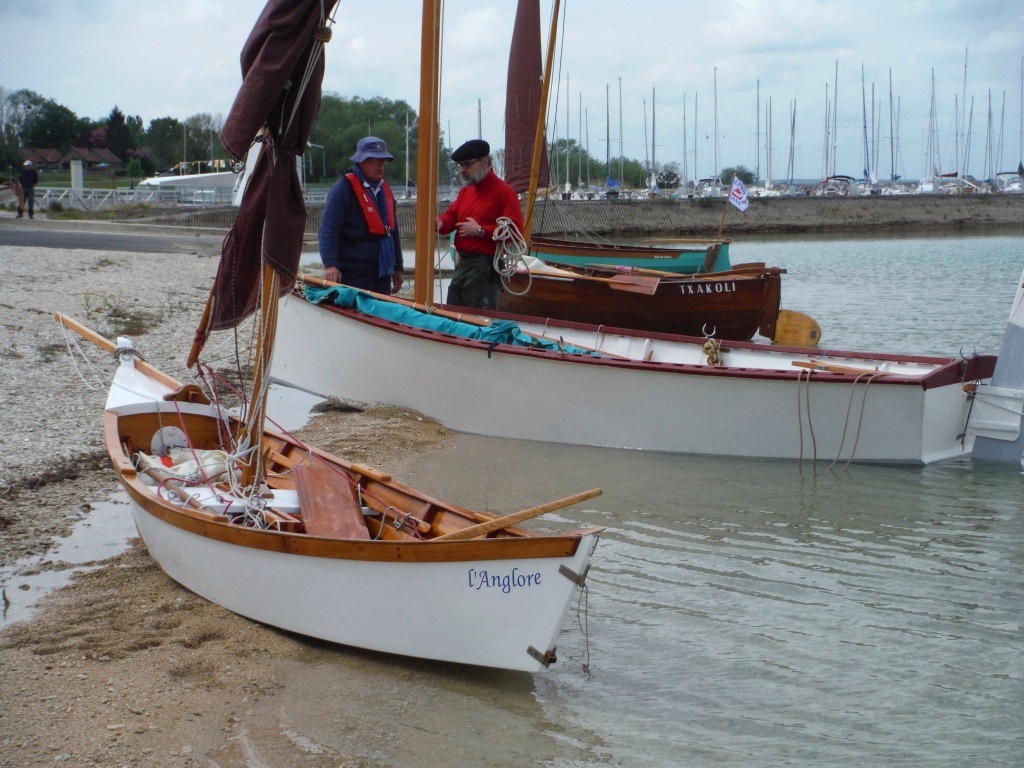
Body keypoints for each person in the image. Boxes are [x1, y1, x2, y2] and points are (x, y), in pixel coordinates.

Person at [436, 139, 524, 310]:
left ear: (485, 163)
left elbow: (516, 231)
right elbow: (452, 216)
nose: (462, 170)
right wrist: (439, 223)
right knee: (452, 316)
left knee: (478, 321)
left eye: (467, 165)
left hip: (484, 267)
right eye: (460, 165)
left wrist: (481, 231)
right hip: (463, 265)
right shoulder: (466, 191)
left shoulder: (504, 192)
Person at [319, 136, 403, 294]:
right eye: (376, 160)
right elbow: (328, 230)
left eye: (383, 160)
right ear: (363, 161)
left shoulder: (384, 191)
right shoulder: (343, 190)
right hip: (354, 273)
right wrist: (331, 264)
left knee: (381, 315)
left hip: (382, 272)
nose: (381, 165)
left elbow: (392, 231)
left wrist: (397, 267)